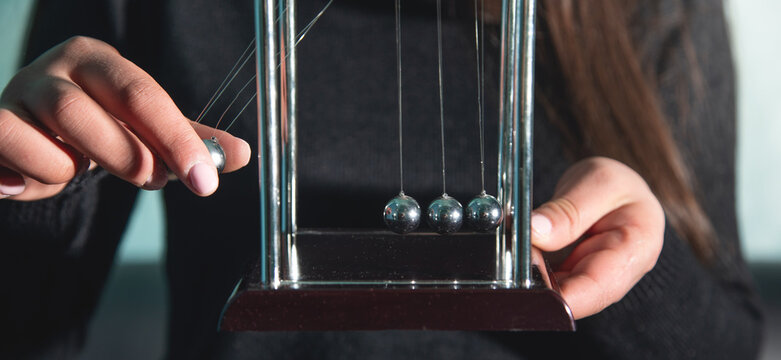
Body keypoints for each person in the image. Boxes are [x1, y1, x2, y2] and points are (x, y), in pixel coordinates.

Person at [0, 0, 763, 359]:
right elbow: (27, 329)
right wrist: (20, 189)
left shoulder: (647, 13)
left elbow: (726, 345)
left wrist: (635, 265)